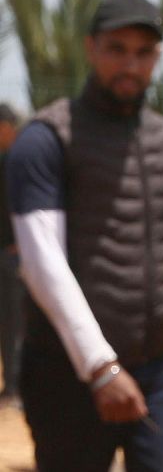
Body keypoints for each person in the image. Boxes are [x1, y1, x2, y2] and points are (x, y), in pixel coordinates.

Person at [3, 0, 163, 471]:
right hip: (69, 377)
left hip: (160, 369)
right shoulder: (46, 139)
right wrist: (100, 367)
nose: (131, 64)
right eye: (117, 48)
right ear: (91, 48)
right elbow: (42, 263)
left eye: (144, 52)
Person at [0, 102, 23, 407]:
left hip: (16, 257)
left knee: (16, 322)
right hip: (6, 253)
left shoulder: (23, 159)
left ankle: (17, 386)